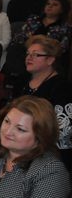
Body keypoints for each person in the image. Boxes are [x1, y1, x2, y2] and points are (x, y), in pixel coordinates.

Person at [15, 36, 72, 169]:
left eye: (36, 55)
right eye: (28, 54)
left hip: (49, 151)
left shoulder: (62, 87)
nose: (29, 58)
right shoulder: (22, 81)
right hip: (19, 141)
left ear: (50, 60)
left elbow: (63, 130)